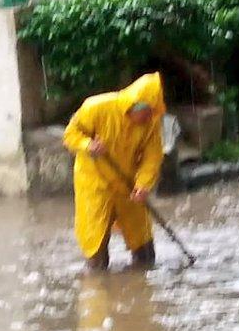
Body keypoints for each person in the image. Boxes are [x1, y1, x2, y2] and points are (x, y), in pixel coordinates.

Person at [63, 73, 166, 270]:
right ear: (136, 106)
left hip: (128, 185)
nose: (150, 117)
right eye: (148, 112)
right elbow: (70, 135)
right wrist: (88, 145)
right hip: (94, 183)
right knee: (95, 245)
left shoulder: (151, 123)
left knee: (144, 248)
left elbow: (152, 157)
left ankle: (141, 279)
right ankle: (97, 281)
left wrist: (143, 185)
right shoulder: (96, 107)